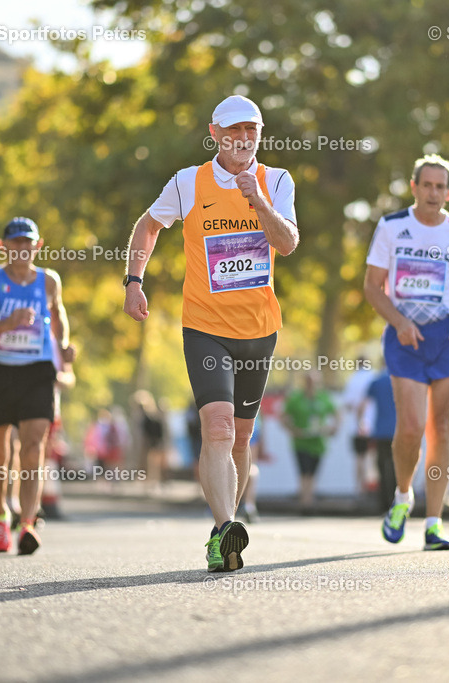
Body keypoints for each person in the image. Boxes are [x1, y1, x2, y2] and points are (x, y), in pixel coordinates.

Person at [123, 94, 299, 572]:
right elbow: (148, 226)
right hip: (205, 326)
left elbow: (287, 243)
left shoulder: (277, 181)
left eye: (251, 130)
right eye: (234, 130)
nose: (243, 138)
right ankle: (225, 527)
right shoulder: (188, 182)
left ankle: (222, 533)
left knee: (241, 437)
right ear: (215, 133)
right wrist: (134, 281)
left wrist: (257, 200)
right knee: (217, 426)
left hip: (258, 329)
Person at [363, 153, 449, 551]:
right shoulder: (392, 226)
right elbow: (372, 287)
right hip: (405, 336)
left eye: (440, 186)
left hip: (446, 336)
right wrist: (399, 322)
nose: (433, 193)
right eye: (426, 185)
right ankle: (402, 496)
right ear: (414, 187)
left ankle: (434, 523)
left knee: (441, 427)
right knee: (411, 427)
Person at [0, 217, 76, 555]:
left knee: (33, 447)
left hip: (37, 372)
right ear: (4, 246)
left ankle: (27, 523)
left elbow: (58, 316)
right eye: (15, 242)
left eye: (28, 242)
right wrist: (5, 324)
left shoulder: (49, 281)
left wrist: (64, 348)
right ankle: (0, 514)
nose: (22, 248)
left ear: (38, 246)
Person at [281, 371, 338, 513]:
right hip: (301, 442)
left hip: (318, 443)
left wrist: (333, 428)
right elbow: (283, 416)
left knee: (312, 472)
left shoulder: (323, 397)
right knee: (304, 471)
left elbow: (337, 414)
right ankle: (305, 502)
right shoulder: (296, 398)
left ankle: (309, 499)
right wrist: (293, 430)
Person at [360, 362, 397, 511]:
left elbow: (364, 404)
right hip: (397, 430)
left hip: (381, 431)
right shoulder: (399, 379)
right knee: (396, 466)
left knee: (382, 466)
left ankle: (384, 502)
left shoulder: (376, 382)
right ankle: (396, 500)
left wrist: (361, 423)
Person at [341, 360, 377, 497]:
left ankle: (359, 488)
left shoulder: (352, 379)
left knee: (359, 458)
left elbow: (349, 404)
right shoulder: (374, 377)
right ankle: (371, 487)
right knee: (372, 456)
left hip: (357, 427)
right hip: (373, 425)